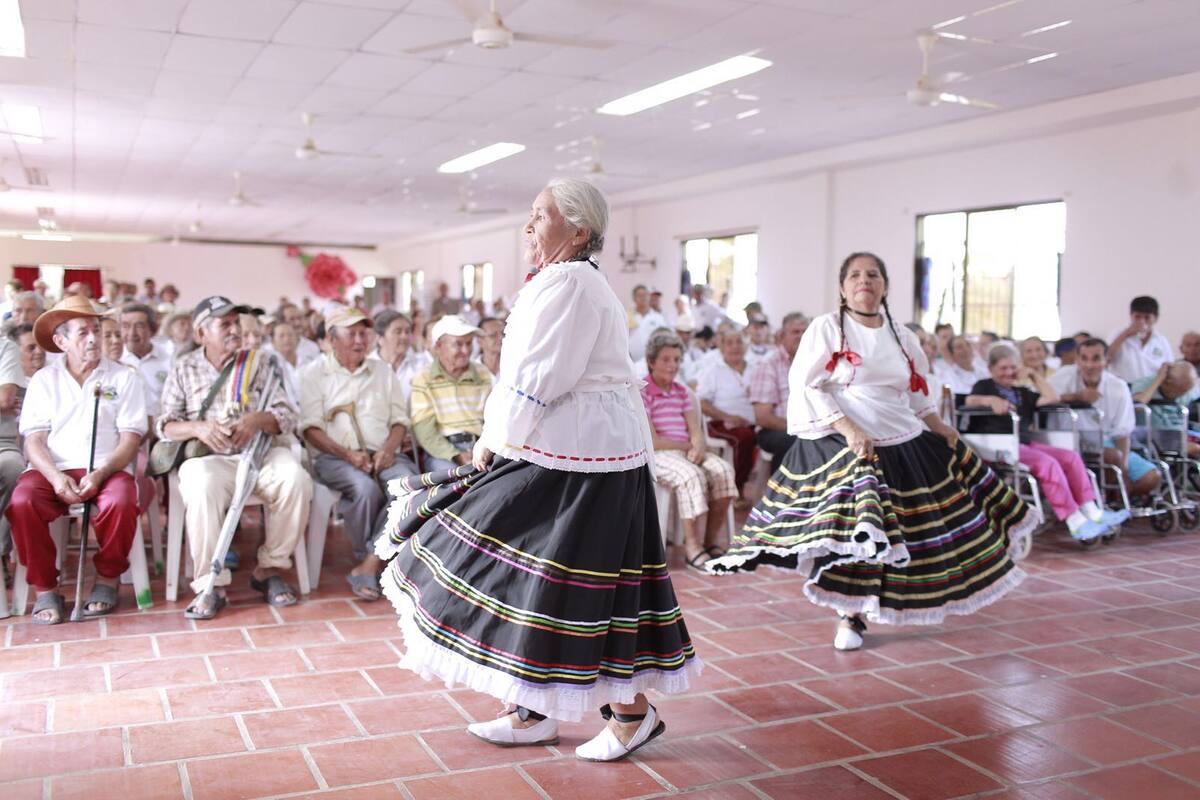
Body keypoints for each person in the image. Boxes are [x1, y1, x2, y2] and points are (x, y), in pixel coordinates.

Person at [376, 178, 697, 762]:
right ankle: (532, 709)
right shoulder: (562, 280)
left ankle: (631, 714)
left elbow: (538, 376)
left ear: (577, 231)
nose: (528, 226)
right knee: (538, 584)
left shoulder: (571, 282)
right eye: (529, 215)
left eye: (540, 216)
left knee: (578, 589)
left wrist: (495, 440)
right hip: (575, 452)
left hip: (583, 460)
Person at [708, 253, 1037, 653]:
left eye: (873, 275)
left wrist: (938, 425)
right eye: (855, 275)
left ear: (884, 285)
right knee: (860, 530)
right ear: (843, 287)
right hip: (848, 439)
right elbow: (807, 385)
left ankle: (895, 599)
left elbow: (917, 390)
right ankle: (850, 614)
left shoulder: (902, 334)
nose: (865, 281)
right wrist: (849, 429)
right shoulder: (826, 328)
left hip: (902, 436)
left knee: (916, 529)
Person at [158, 296, 313, 619]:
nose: (234, 330)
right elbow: (164, 425)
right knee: (200, 485)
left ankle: (269, 569)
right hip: (211, 460)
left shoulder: (261, 364)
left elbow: (287, 415)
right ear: (201, 334)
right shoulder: (183, 368)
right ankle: (209, 584)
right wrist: (198, 428)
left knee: (296, 479)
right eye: (224, 324)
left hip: (260, 454)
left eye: (235, 323)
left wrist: (256, 420)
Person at [6, 296, 146, 623]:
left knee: (122, 500)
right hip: (53, 470)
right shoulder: (45, 380)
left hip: (106, 467)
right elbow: (34, 441)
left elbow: (130, 439)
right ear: (61, 341)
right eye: (82, 333)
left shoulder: (124, 378)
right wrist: (55, 477)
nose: (94, 338)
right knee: (22, 500)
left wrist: (100, 473)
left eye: (95, 329)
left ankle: (107, 580)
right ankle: (45, 589)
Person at [300, 307, 418, 601]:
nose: (359, 340)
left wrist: (389, 450)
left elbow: (399, 421)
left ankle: (369, 562)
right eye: (350, 333)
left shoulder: (382, 371)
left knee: (411, 487)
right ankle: (376, 555)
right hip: (335, 457)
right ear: (331, 339)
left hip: (383, 452)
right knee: (365, 489)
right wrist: (349, 456)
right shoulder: (314, 373)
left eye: (363, 333)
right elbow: (311, 429)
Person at [965, 345, 1128, 541]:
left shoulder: (1022, 392)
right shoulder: (984, 386)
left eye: (1012, 367)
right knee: (1048, 464)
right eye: (1003, 368)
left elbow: (1052, 397)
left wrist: (1033, 374)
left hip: (1024, 442)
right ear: (991, 369)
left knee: (1070, 457)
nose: (1009, 372)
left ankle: (1091, 509)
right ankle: (1073, 520)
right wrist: (989, 400)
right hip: (999, 444)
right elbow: (970, 401)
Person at [642, 331, 736, 568]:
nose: (672, 365)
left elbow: (696, 430)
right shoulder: (643, 392)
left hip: (685, 450)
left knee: (723, 471)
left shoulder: (682, 392)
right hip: (659, 455)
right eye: (666, 359)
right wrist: (688, 447)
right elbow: (653, 441)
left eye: (676, 359)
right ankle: (692, 547)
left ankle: (710, 542)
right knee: (691, 476)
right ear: (651, 361)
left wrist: (699, 447)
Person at [1050, 338, 1161, 499]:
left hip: (1107, 441)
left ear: (1106, 361)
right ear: (1077, 360)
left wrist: (1123, 471)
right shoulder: (1062, 377)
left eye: (1096, 359)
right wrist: (1075, 397)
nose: (1089, 365)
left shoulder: (1118, 386)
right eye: (1084, 358)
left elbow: (1122, 434)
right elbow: (1039, 399)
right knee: (1112, 456)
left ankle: (1114, 498)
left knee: (1152, 477)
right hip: (1069, 441)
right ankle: (1110, 501)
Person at [409, 315, 492, 471]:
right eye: (458, 344)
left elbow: (494, 420)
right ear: (439, 346)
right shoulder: (424, 378)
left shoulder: (482, 373)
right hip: (443, 451)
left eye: (469, 343)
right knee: (451, 480)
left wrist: (483, 448)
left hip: (481, 444)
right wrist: (456, 455)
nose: (466, 350)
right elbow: (425, 432)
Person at [696, 328, 757, 496]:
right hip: (720, 422)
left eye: (739, 342)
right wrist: (729, 417)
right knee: (744, 438)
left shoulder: (755, 368)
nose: (735, 347)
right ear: (721, 347)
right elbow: (700, 402)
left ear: (746, 346)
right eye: (729, 343)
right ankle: (737, 490)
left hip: (755, 423)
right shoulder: (713, 371)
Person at [750, 311, 806, 474]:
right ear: (782, 336)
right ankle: (782, 496)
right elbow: (763, 417)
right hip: (775, 430)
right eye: (795, 332)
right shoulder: (769, 364)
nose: (801, 336)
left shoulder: (813, 363)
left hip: (807, 427)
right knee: (793, 441)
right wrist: (799, 428)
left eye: (804, 332)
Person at [119, 303, 171, 418]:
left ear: (153, 330)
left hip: (161, 428)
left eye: (139, 326)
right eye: (125, 326)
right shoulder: (115, 360)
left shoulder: (169, 359)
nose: (132, 333)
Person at [371, 310, 431, 408]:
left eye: (407, 332)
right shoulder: (367, 367)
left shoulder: (422, 365)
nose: (404, 336)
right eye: (397, 332)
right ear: (380, 338)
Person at [1108, 296, 1173, 383]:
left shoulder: (1161, 340)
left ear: (1156, 318)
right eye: (1137, 317)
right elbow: (1106, 358)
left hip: (1152, 389)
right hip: (1124, 387)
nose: (1142, 321)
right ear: (1131, 316)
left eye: (1147, 317)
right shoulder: (1117, 334)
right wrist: (1125, 335)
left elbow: (1170, 366)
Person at [0, 330, 24, 563]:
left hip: (2, 442)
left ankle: (0, 549)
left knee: (14, 470)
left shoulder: (5, 348)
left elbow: (6, 398)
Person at [627, 284, 668, 362]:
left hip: (653, 362)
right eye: (639, 295)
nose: (643, 298)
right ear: (634, 299)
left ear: (649, 297)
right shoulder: (627, 316)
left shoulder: (658, 318)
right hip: (631, 361)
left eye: (645, 295)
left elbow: (664, 339)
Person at [475, 316, 504, 380]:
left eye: (503, 334)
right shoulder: (471, 372)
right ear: (480, 340)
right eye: (493, 335)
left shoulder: (514, 365)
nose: (501, 338)